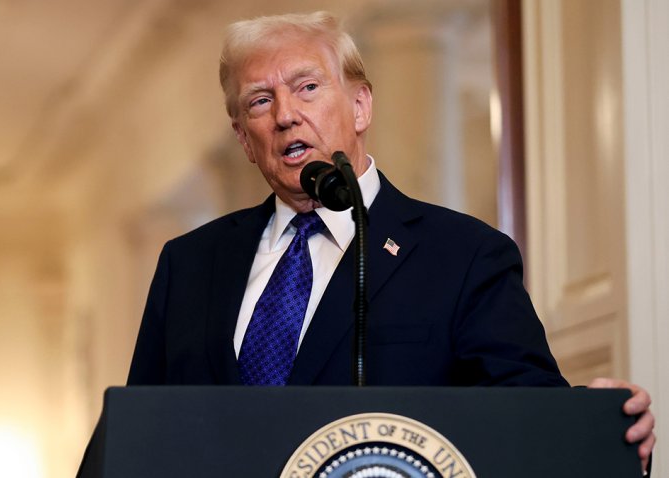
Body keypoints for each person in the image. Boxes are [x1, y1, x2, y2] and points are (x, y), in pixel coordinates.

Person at [125, 11, 655, 472]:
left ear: (360, 108)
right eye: (260, 101)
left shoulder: (464, 255)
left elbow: (523, 415)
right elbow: (138, 440)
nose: (286, 114)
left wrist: (596, 426)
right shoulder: (189, 264)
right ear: (243, 137)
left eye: (308, 87)